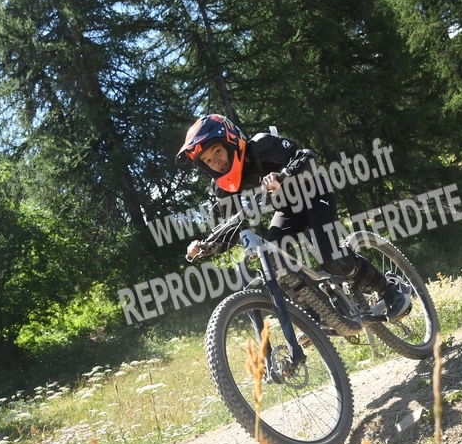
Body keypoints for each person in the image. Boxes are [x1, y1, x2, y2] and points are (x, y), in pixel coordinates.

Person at [175, 114, 411, 321]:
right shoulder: (223, 188)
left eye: (217, 151)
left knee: (331, 259)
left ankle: (389, 290)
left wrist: (283, 174)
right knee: (274, 261)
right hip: (288, 211)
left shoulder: (261, 146)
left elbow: (306, 157)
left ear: (232, 140)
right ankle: (314, 316)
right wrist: (205, 246)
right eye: (207, 160)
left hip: (315, 195)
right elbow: (231, 229)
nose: (215, 161)